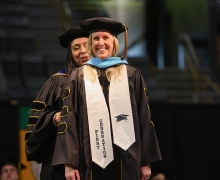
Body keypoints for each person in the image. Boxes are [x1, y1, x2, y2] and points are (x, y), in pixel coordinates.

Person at [52, 17, 162, 180]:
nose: (100, 43)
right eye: (95, 38)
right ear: (90, 43)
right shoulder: (79, 77)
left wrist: (146, 161)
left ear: (114, 42)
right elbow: (69, 121)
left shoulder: (131, 75)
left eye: (106, 38)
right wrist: (70, 163)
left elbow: (144, 118)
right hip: (89, 160)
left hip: (127, 158)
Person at [24, 27, 91, 180]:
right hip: (59, 163)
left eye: (86, 45)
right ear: (70, 54)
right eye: (76, 47)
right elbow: (36, 123)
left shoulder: (107, 82)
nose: (82, 51)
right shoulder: (58, 81)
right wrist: (55, 118)